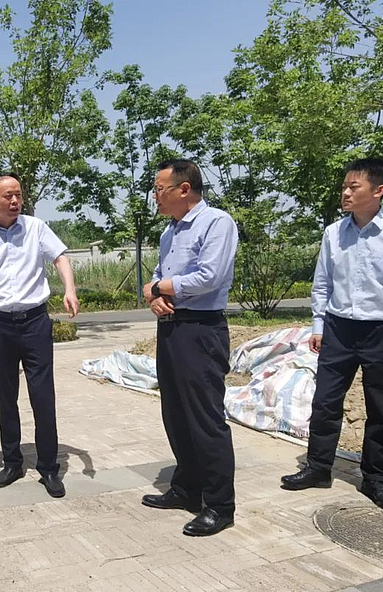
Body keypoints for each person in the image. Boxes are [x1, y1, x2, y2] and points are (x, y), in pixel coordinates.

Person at [281, 158, 383, 512]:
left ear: (379, 191)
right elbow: (322, 284)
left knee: (382, 407)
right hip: (339, 328)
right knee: (325, 401)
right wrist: (319, 325)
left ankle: (375, 479)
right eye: (344, 186)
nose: (345, 193)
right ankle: (318, 468)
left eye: (354, 186)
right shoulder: (334, 233)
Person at [0, 172, 80, 498]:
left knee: (43, 396)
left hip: (35, 323)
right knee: (6, 396)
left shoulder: (35, 228)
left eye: (18, 195)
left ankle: (49, 467)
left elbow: (60, 257)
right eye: (8, 196)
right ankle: (12, 461)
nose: (15, 201)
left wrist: (69, 289)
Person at [140, 159, 238, 537]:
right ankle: (186, 488)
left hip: (201, 329)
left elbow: (209, 276)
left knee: (204, 418)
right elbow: (159, 276)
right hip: (171, 328)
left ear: (184, 189)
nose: (155, 196)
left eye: (159, 189)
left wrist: (157, 288)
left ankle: (219, 505)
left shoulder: (216, 223)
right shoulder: (169, 232)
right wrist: (154, 297)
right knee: (176, 413)